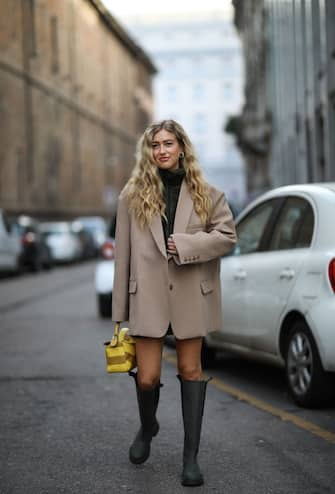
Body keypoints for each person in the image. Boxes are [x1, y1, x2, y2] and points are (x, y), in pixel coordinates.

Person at [112, 119, 236, 487]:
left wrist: (187, 244)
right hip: (147, 295)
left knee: (190, 370)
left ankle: (190, 459)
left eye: (168, 143)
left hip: (188, 294)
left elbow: (228, 236)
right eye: (155, 145)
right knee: (147, 377)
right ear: (147, 152)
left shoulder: (206, 193)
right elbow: (123, 256)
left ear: (182, 147)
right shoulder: (130, 196)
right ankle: (148, 427)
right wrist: (119, 313)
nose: (162, 150)